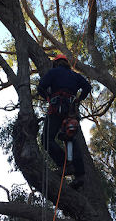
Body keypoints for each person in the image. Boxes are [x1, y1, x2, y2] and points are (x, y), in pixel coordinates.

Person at [37, 54, 92, 190]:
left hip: (56, 108)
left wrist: (48, 98)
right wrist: (79, 99)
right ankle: (80, 175)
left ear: (56, 63)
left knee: (46, 139)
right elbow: (87, 87)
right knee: (70, 138)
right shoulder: (75, 76)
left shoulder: (53, 72)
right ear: (66, 63)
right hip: (71, 110)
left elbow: (41, 87)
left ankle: (65, 165)